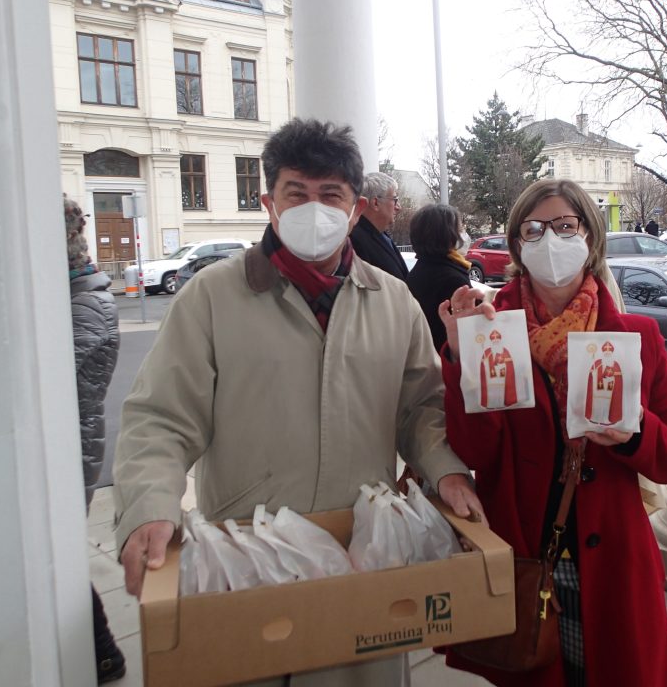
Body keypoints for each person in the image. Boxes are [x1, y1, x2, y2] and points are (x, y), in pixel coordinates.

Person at [113, 119, 483, 686]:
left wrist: (447, 471)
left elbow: (422, 410)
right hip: (252, 560)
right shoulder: (212, 298)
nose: (316, 209)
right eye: (297, 193)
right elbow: (161, 418)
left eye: (330, 195)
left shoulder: (393, 303)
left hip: (362, 558)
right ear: (269, 203)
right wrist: (148, 508)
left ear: (356, 209)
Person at [437, 179, 667, 687]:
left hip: (613, 564)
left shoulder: (635, 337)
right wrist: (459, 359)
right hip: (526, 553)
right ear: (516, 245)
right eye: (532, 230)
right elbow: (476, 452)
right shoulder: (492, 330)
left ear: (590, 237)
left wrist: (635, 432)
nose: (549, 241)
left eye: (564, 226)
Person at [65, 197, 124, 684]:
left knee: (59, 556)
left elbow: (59, 381)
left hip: (74, 448)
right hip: (73, 443)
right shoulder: (81, 296)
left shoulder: (86, 303)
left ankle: (104, 653)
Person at [406, 203, 472, 352]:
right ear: (446, 235)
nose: (464, 235)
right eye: (460, 229)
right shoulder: (452, 280)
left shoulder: (419, 271)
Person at [349, 171, 409, 280]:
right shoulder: (355, 240)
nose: (398, 207)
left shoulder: (380, 233)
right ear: (375, 203)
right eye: (395, 200)